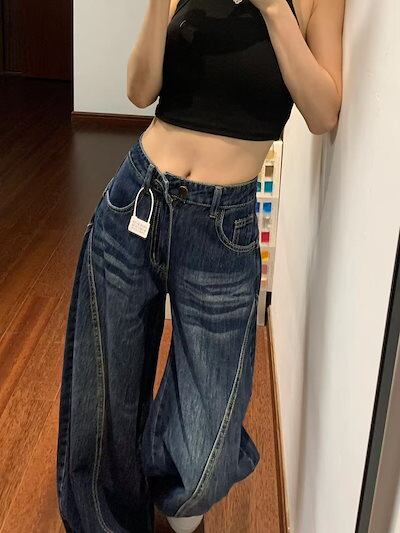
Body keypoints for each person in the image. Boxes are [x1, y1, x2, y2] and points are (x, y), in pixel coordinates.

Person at [56, 1, 345, 532]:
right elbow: (139, 91)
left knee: (203, 451)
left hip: (224, 229)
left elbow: (324, 113)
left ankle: (164, 492)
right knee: (104, 402)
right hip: (138, 199)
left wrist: (274, 11)